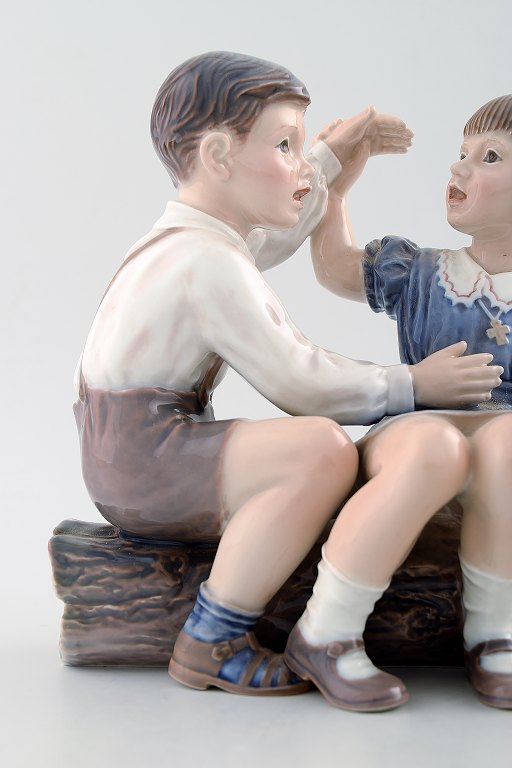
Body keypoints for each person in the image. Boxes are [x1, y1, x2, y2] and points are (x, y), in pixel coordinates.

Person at [74, 52, 500, 706]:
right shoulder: (206, 263)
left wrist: (325, 164)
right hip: (142, 455)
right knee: (318, 449)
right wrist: (412, 384)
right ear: (219, 157)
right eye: (284, 146)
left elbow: (267, 240)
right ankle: (213, 635)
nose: (298, 164)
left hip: (133, 445)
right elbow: (301, 382)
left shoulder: (199, 241)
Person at [305, 95, 512, 710]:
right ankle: (326, 628)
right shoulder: (420, 271)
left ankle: (495, 631)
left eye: (489, 158)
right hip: (417, 422)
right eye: (462, 153)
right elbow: (336, 268)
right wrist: (335, 194)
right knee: (434, 446)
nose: (458, 168)